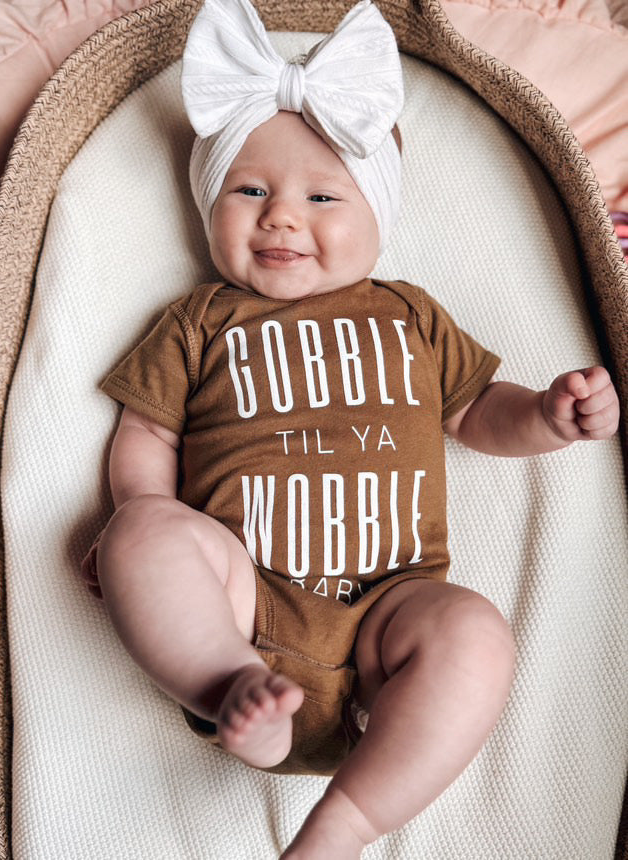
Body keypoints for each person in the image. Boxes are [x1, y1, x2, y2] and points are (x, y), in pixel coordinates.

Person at [80, 0, 620, 856]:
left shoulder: (410, 316)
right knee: (142, 531)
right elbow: (147, 439)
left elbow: (478, 412)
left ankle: (347, 823)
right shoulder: (198, 323)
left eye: (322, 196)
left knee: (475, 634)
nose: (281, 217)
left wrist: (548, 417)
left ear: (379, 213)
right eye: (249, 190)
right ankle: (229, 689)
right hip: (241, 600)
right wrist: (139, 522)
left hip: (388, 615)